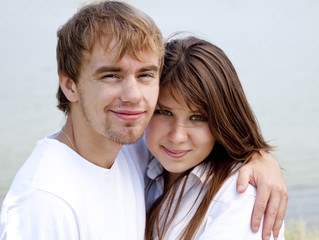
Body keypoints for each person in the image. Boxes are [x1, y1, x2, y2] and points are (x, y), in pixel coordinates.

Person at [0, 1, 287, 239]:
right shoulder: (44, 203)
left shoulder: (131, 147)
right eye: (111, 75)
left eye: (145, 75)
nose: (133, 95)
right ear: (70, 85)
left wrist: (259, 157)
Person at [145, 36, 285, 239]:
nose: (177, 136)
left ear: (223, 120)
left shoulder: (241, 198)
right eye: (164, 112)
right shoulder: (137, 159)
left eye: (197, 118)